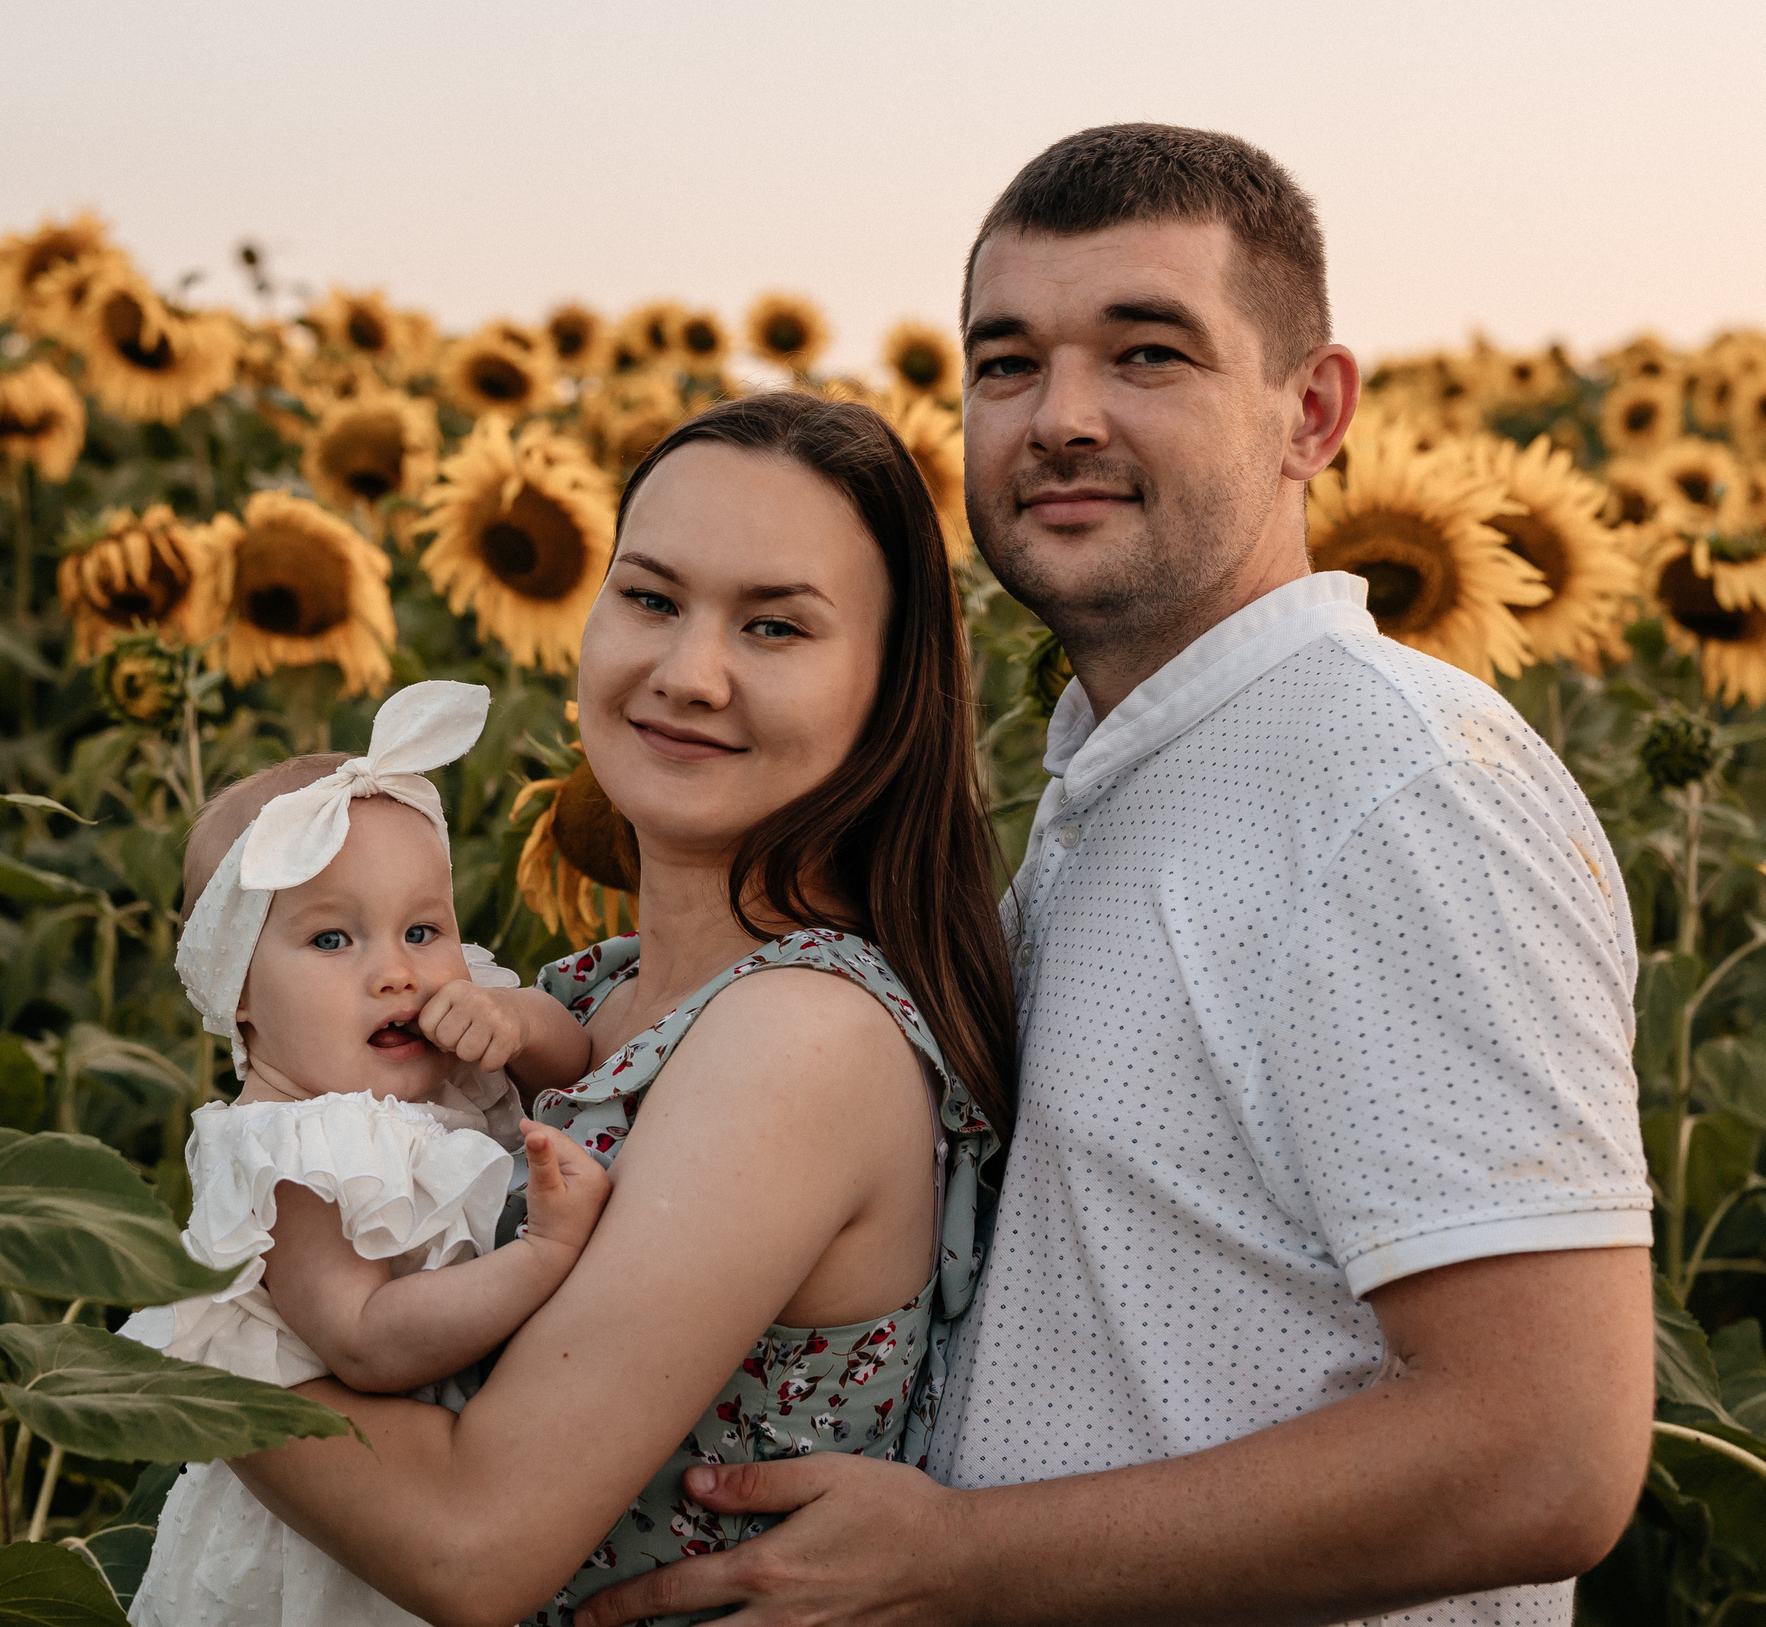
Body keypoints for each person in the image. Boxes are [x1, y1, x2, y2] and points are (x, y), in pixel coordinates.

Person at [575, 124, 1654, 1627]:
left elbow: (1546, 1450)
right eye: (1008, 362)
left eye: (1149, 353)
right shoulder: (1128, 773)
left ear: (1312, 411)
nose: (1060, 415)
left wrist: (955, 1557)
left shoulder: (1395, 787)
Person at [222, 390, 1017, 1626]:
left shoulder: (795, 1037)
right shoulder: (586, 996)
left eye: (773, 627)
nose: (686, 674)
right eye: (649, 599)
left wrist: (192, 1342)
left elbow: (469, 1545)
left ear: (886, 685)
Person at [122, 679, 612, 1626]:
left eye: (423, 930)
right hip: (342, 1567)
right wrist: (541, 1259)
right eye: (334, 937)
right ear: (240, 994)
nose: (397, 969)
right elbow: (367, 1337)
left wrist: (514, 1018)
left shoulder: (430, 1066)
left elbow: (578, 1059)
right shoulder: (288, 1155)